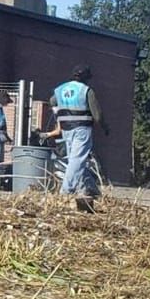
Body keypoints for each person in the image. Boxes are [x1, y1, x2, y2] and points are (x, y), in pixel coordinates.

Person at [47, 66, 106, 208]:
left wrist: (60, 112)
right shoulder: (86, 90)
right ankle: (66, 191)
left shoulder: (60, 89)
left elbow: (52, 101)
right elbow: (97, 114)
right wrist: (105, 127)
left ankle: (92, 189)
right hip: (82, 128)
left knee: (76, 160)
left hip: (67, 128)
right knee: (77, 160)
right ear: (86, 77)